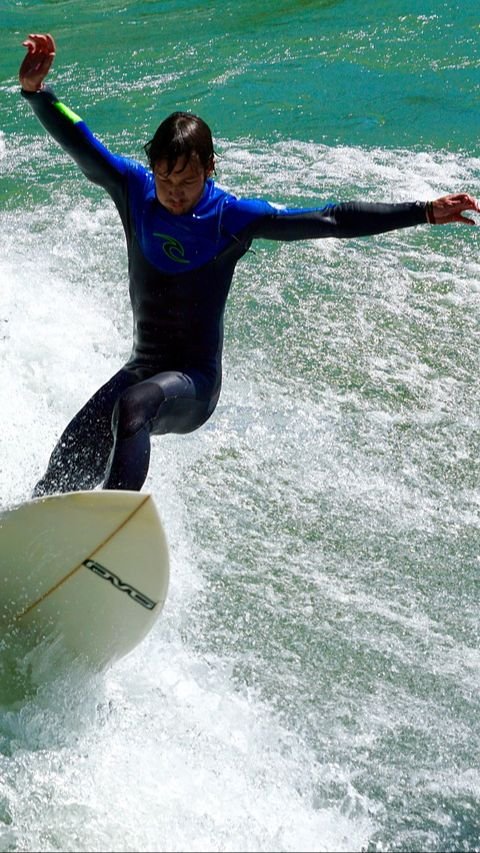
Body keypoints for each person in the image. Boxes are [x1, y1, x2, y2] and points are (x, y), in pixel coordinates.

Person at [19, 33, 479, 496]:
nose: (175, 192)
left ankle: (113, 526)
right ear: (151, 168)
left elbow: (331, 219)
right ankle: (45, 530)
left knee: (133, 407)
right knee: (68, 457)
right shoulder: (134, 192)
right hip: (143, 367)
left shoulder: (230, 218)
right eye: (165, 180)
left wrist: (422, 211)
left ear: (210, 168)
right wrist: (38, 94)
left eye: (188, 180)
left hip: (193, 385)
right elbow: (82, 144)